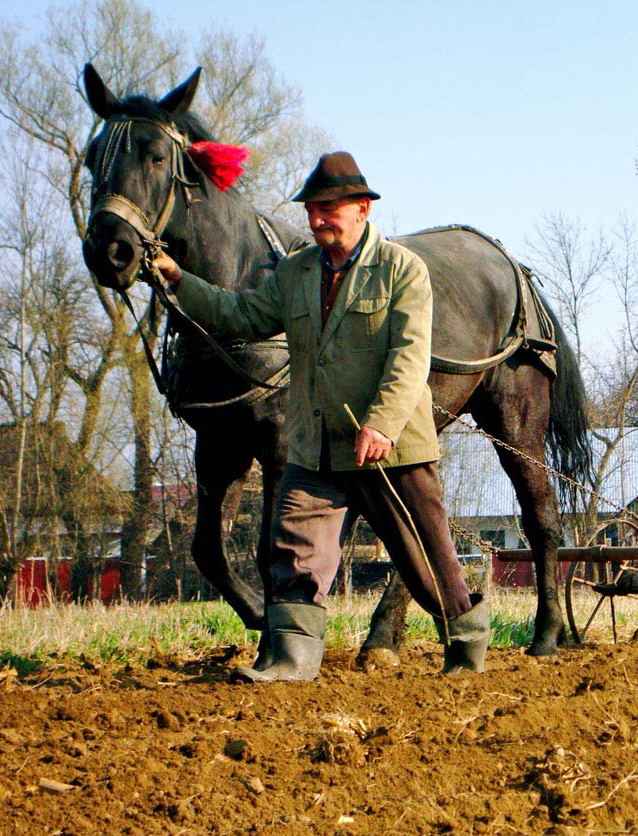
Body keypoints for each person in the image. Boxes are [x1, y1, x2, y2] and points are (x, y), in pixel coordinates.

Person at [150, 151, 489, 681]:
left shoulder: (403, 270)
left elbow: (409, 356)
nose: (317, 219)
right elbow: (242, 315)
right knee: (294, 549)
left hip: (389, 448)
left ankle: (466, 645)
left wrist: (381, 423)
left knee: (427, 561)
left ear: (362, 209)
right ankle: (291, 658)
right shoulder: (296, 271)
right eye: (311, 209)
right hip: (315, 445)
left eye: (329, 208)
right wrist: (179, 281)